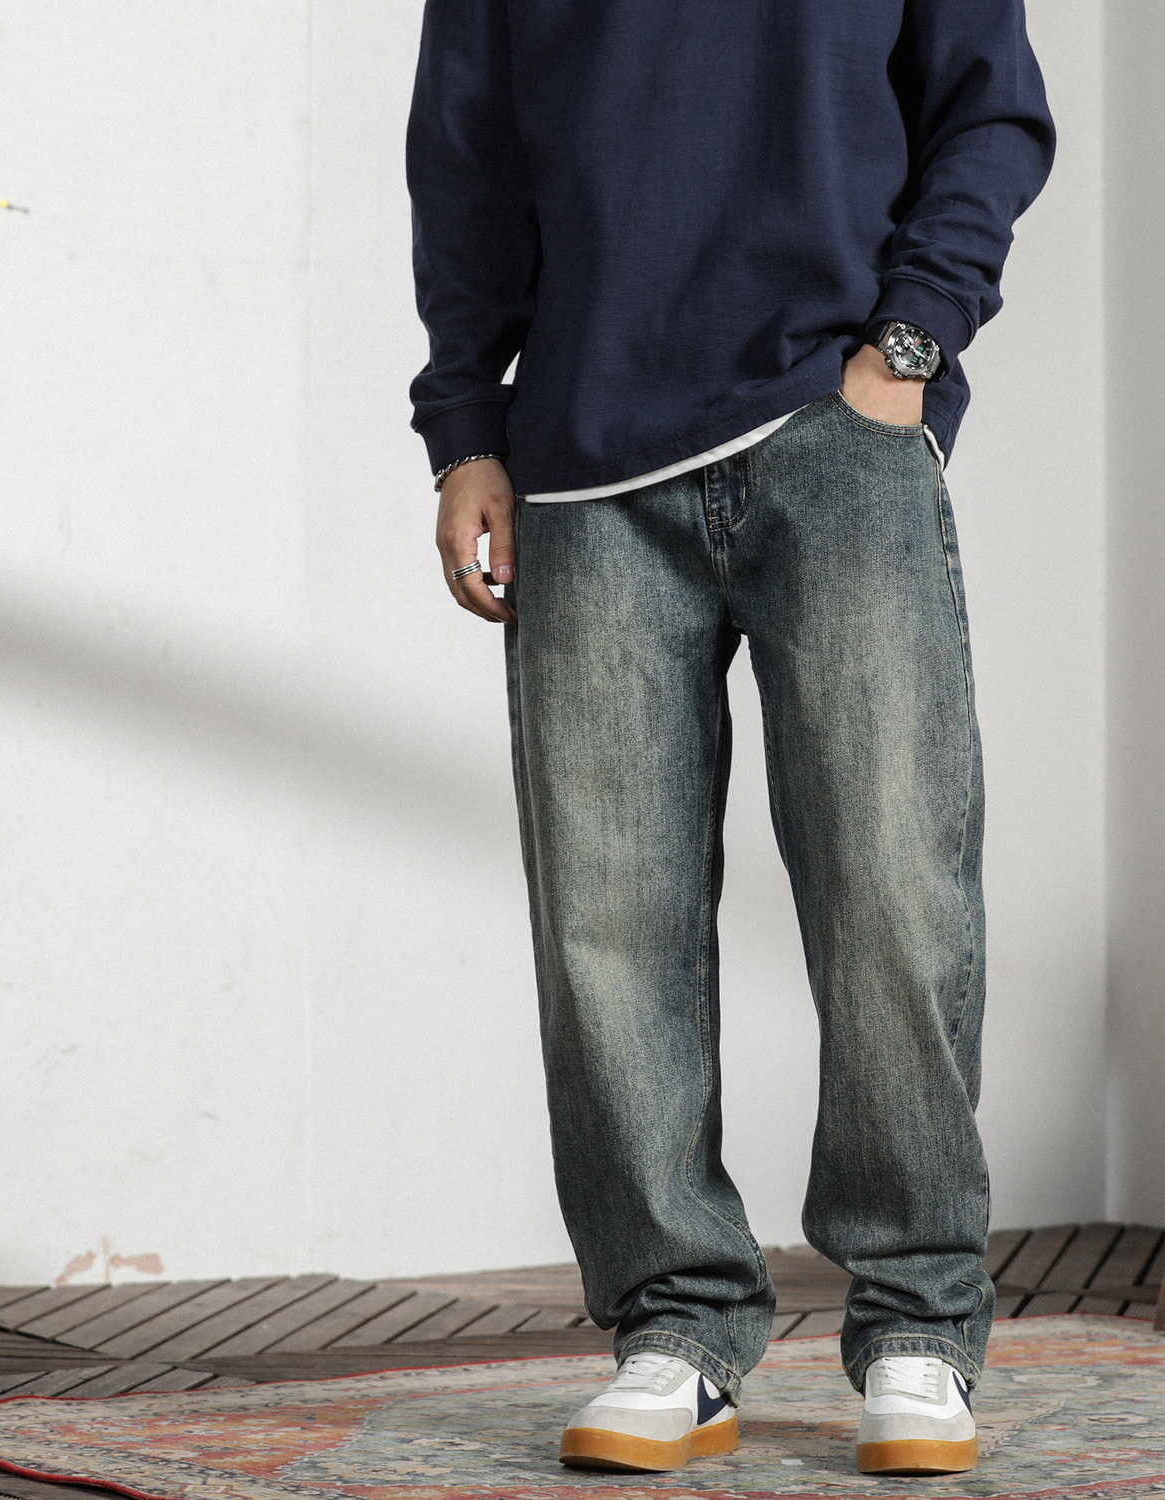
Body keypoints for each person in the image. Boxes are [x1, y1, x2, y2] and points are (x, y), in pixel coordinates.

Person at [406, 0, 1053, 1477]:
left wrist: (910, 342)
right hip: (582, 465)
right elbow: (465, 153)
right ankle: (677, 1331)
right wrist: (467, 429)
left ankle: (917, 1328)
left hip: (836, 430)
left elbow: (991, 108)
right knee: (608, 925)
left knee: (893, 892)